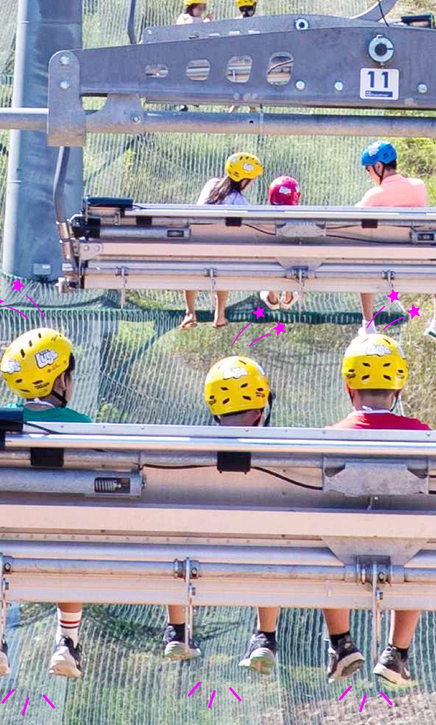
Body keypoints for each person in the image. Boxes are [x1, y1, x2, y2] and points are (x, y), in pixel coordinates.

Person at [0, 328, 91, 680]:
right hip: (61, 538)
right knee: (75, 545)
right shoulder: (85, 427)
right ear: (60, 378)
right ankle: (67, 642)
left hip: (3, 536)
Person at [320, 334, 430, 686]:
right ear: (399, 386)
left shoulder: (328, 435)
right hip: (406, 549)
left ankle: (341, 642)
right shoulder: (421, 434)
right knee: (417, 547)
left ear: (347, 384)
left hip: (340, 548)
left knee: (326, 540)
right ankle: (398, 652)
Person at [162, 356, 282, 672]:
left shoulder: (187, 450)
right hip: (261, 551)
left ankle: (178, 629)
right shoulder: (287, 451)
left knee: (174, 536)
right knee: (274, 547)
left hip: (197, 552)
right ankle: (265, 635)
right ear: (261, 410)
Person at [354, 141, 436, 349]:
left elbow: (352, 220)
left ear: (379, 167)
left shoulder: (374, 196)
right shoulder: (419, 187)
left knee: (364, 260)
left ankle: (368, 324)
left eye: (368, 170)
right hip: (419, 263)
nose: (369, 175)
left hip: (382, 265)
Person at [181, 152, 263, 330]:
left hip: (196, 246)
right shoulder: (241, 202)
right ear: (244, 180)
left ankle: (190, 312)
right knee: (225, 267)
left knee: (192, 267)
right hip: (222, 253)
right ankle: (220, 314)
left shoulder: (211, 185)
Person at [260, 176, 300, 310]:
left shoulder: (260, 218)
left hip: (263, 262)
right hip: (295, 264)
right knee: (292, 253)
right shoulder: (302, 218)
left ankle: (272, 295)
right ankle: (288, 294)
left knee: (270, 256)